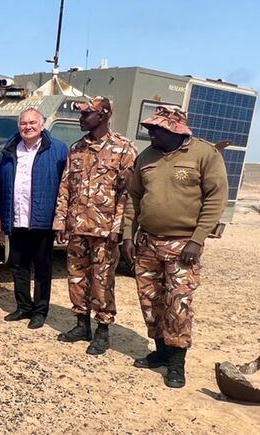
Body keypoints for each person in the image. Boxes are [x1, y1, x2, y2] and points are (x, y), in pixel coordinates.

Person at [122, 105, 227, 388]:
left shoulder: (205, 154)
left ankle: (177, 363)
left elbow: (216, 199)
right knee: (151, 301)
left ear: (175, 130)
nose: (150, 132)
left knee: (178, 303)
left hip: (183, 245)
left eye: (156, 128)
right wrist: (128, 236)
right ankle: (161, 353)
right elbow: (133, 198)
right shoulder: (146, 157)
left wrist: (197, 239)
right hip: (147, 242)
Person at [53, 97, 137, 356]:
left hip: (105, 231)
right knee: (76, 278)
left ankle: (102, 330)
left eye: (86, 114)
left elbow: (128, 193)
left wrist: (118, 227)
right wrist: (60, 220)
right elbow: (66, 186)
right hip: (77, 227)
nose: (81, 118)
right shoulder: (76, 149)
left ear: (103, 116)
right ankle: (81, 324)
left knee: (102, 281)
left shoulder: (123, 149)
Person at [0, 108, 68, 329]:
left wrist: (61, 219)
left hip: (42, 220)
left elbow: (66, 187)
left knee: (43, 268)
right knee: (18, 266)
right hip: (16, 218)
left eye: (32, 123)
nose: (28, 127)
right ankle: (23, 306)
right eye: (23, 123)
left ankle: (40, 310)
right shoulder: (10, 150)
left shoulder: (58, 149)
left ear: (42, 125)